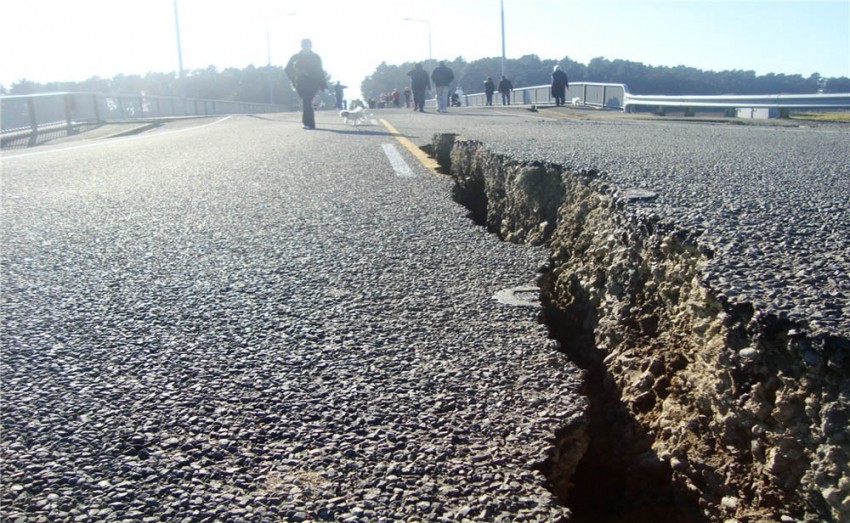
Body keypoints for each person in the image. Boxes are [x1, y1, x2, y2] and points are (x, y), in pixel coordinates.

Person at [284, 39, 327, 129]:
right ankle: (309, 123)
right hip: (300, 82)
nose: (306, 47)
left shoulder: (316, 57)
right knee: (306, 101)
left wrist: (323, 84)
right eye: (304, 45)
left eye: (307, 45)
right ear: (301, 46)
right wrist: (294, 77)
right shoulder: (295, 57)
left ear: (311, 46)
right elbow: (287, 69)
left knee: (306, 101)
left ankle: (308, 123)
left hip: (313, 83)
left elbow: (320, 71)